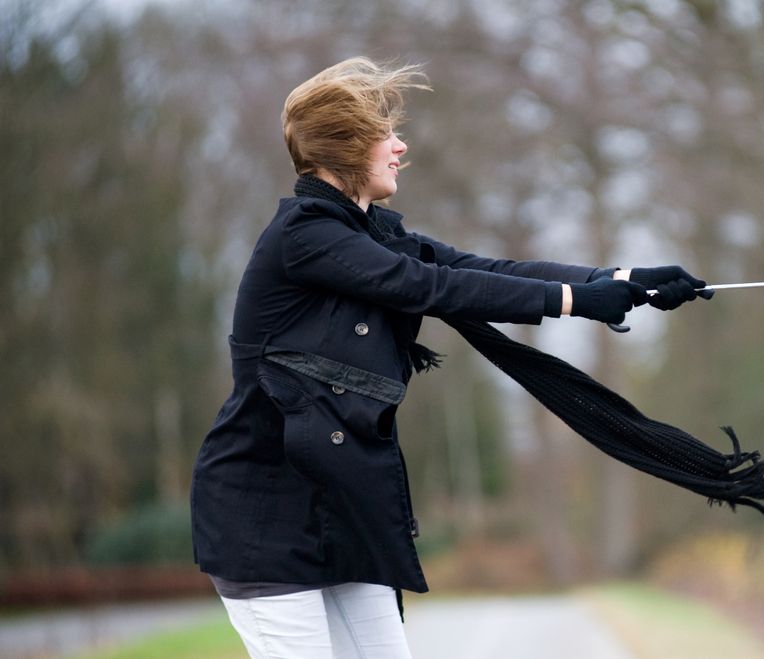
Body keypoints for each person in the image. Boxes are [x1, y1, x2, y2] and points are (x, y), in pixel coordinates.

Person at [189, 57, 711, 659]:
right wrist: (576, 302)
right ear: (346, 146)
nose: (400, 146)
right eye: (386, 135)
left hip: (341, 509)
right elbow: (429, 287)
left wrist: (621, 278)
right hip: (263, 516)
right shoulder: (304, 236)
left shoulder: (369, 232)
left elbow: (476, 269)